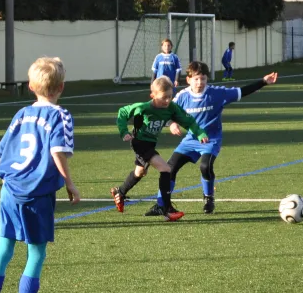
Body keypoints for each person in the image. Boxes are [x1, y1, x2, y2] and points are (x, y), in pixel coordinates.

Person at [0, 57, 80, 293]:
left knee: (3, 249)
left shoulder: (21, 114)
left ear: (31, 86)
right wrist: (70, 184)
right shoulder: (61, 115)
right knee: (36, 253)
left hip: (10, 190)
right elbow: (58, 151)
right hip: (37, 194)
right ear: (61, 87)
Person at [145, 61, 277, 216]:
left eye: (203, 79)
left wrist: (263, 82)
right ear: (188, 80)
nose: (200, 82)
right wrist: (172, 123)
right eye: (196, 79)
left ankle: (208, 198)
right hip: (190, 140)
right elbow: (165, 112)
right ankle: (161, 205)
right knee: (170, 168)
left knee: (205, 167)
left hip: (210, 140)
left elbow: (242, 91)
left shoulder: (217, 93)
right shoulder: (182, 96)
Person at [111, 76, 208, 221]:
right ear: (153, 95)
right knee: (166, 169)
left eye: (170, 96)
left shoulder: (171, 108)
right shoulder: (143, 108)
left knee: (140, 172)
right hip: (139, 142)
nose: (168, 100)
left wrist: (199, 132)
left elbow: (187, 120)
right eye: (164, 97)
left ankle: (120, 191)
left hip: (150, 143)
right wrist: (123, 131)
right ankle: (166, 208)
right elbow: (123, 113)